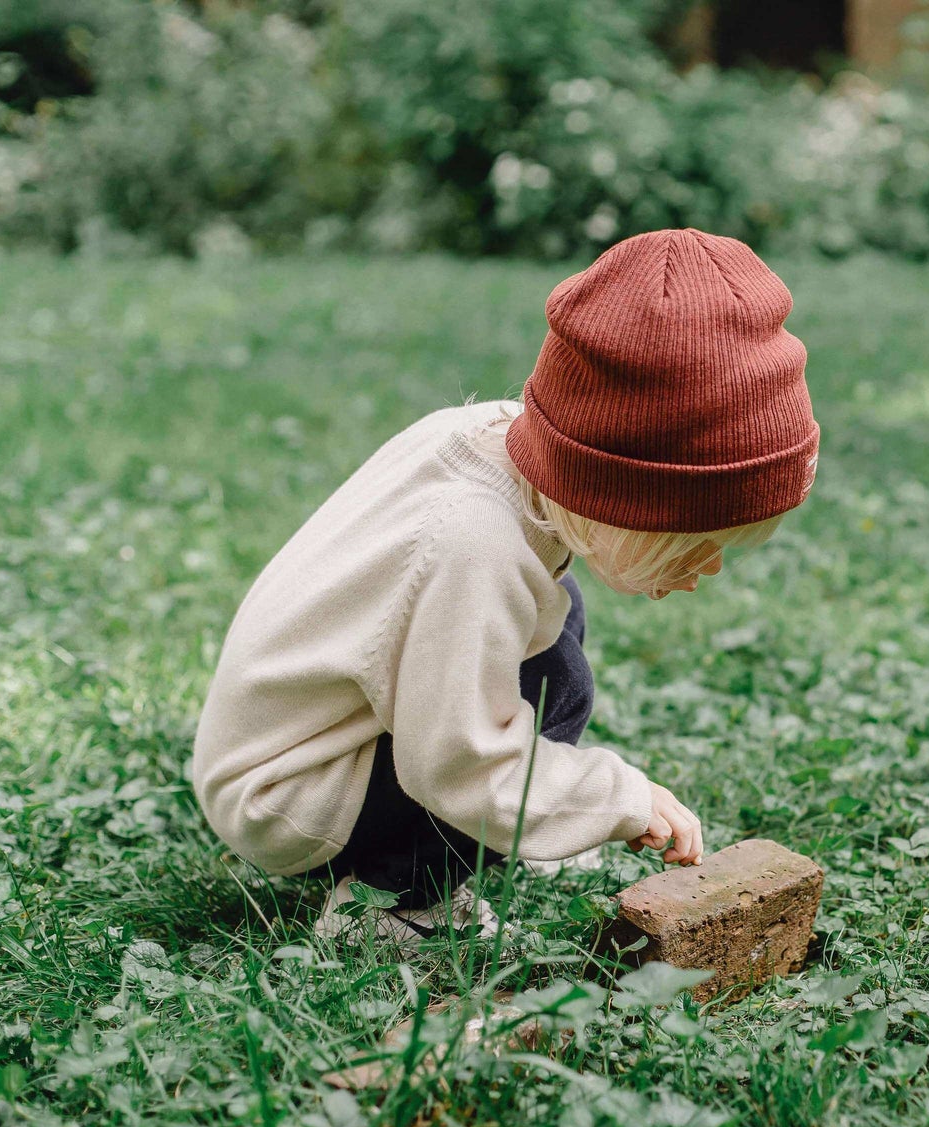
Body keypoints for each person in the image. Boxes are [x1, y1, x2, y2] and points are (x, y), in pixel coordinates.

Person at [190, 228, 819, 944]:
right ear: (623, 493)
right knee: (554, 692)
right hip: (285, 789)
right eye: (695, 544)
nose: (706, 571)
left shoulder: (503, 448)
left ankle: (511, 822)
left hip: (316, 733)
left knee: (554, 636)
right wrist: (615, 798)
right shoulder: (471, 546)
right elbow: (459, 766)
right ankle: (391, 904)